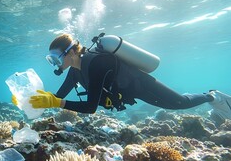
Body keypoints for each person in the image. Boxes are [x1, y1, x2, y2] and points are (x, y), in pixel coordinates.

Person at [25, 33, 231, 121]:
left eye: (55, 58)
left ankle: (212, 96)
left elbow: (90, 108)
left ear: (70, 52)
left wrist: (55, 102)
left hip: (140, 85)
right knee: (174, 101)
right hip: (128, 93)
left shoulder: (96, 63)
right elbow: (57, 96)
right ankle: (205, 96)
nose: (54, 64)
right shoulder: (74, 70)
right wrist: (31, 99)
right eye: (50, 60)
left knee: (178, 103)